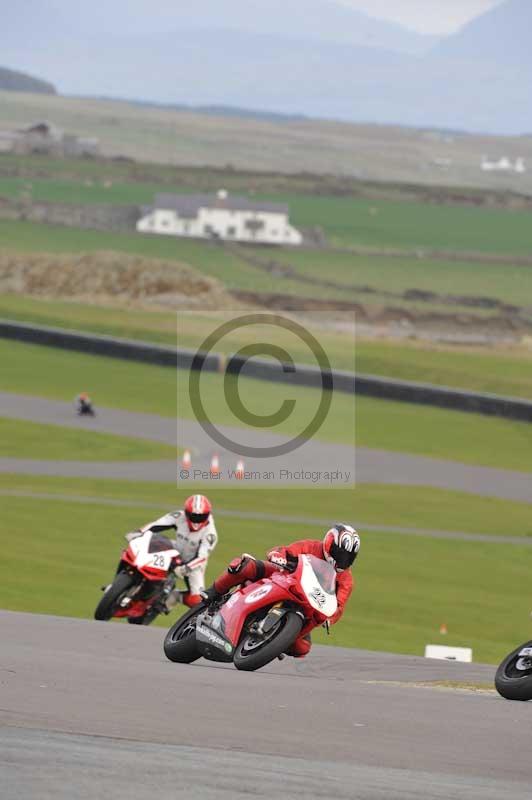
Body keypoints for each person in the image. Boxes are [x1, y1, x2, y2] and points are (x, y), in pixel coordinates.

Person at [202, 524, 360, 658]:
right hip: (284, 579)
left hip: (308, 605)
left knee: (302, 648)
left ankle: (274, 640)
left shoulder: (346, 579)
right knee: (246, 567)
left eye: (348, 557)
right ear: (329, 543)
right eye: (340, 553)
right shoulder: (311, 546)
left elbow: (339, 604)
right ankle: (214, 591)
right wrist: (278, 556)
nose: (342, 559)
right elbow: (284, 550)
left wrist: (330, 618)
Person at [126, 494, 217, 609]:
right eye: (192, 516)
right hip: (175, 550)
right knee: (153, 542)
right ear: (186, 512)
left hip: (193, 564)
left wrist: (186, 568)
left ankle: (176, 596)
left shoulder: (210, 533)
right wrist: (138, 532)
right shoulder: (179, 516)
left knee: (198, 602)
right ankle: (130, 577)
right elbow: (157, 524)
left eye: (201, 517)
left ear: (208, 515)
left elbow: (202, 557)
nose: (196, 519)